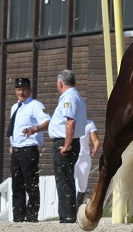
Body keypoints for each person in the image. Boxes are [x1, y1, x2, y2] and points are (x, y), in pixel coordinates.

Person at [43, 70, 88, 223]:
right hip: (67, 141)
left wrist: (66, 145)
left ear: (60, 83)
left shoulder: (69, 97)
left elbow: (70, 122)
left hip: (64, 142)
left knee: (64, 179)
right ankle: (67, 214)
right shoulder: (76, 96)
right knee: (65, 178)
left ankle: (67, 215)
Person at [8, 77, 50, 223]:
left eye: (24, 89)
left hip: (29, 150)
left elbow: (47, 122)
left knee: (31, 184)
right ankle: (18, 218)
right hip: (16, 150)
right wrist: (12, 143)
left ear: (29, 90)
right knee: (17, 185)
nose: (21, 92)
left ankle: (32, 217)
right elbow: (14, 128)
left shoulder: (36, 105)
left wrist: (35, 128)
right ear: (15, 91)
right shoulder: (15, 107)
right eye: (19, 89)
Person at [74, 119, 100, 207]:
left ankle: (78, 206)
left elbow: (96, 140)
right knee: (71, 182)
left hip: (84, 158)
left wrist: (95, 148)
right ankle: (71, 210)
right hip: (72, 156)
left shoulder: (89, 124)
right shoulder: (67, 122)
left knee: (82, 186)